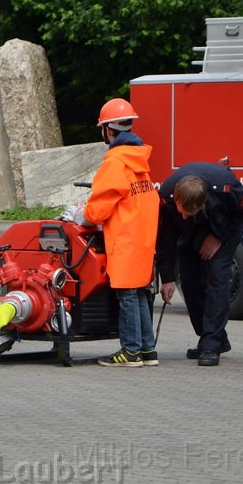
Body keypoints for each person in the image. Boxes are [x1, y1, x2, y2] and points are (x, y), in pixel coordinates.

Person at [75, 99, 161, 368]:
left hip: (124, 240)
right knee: (140, 293)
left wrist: (79, 215)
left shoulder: (115, 162)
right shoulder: (139, 161)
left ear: (107, 130)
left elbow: (98, 209)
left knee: (127, 295)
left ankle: (130, 352)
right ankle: (147, 350)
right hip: (143, 239)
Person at [154, 162, 243, 366]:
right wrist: (167, 278)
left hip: (224, 229)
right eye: (181, 211)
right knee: (189, 282)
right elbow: (165, 240)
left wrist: (218, 237)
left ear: (203, 203)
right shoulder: (166, 195)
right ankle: (216, 337)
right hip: (191, 233)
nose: (182, 215)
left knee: (217, 278)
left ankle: (210, 345)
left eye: (188, 213)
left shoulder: (225, 187)